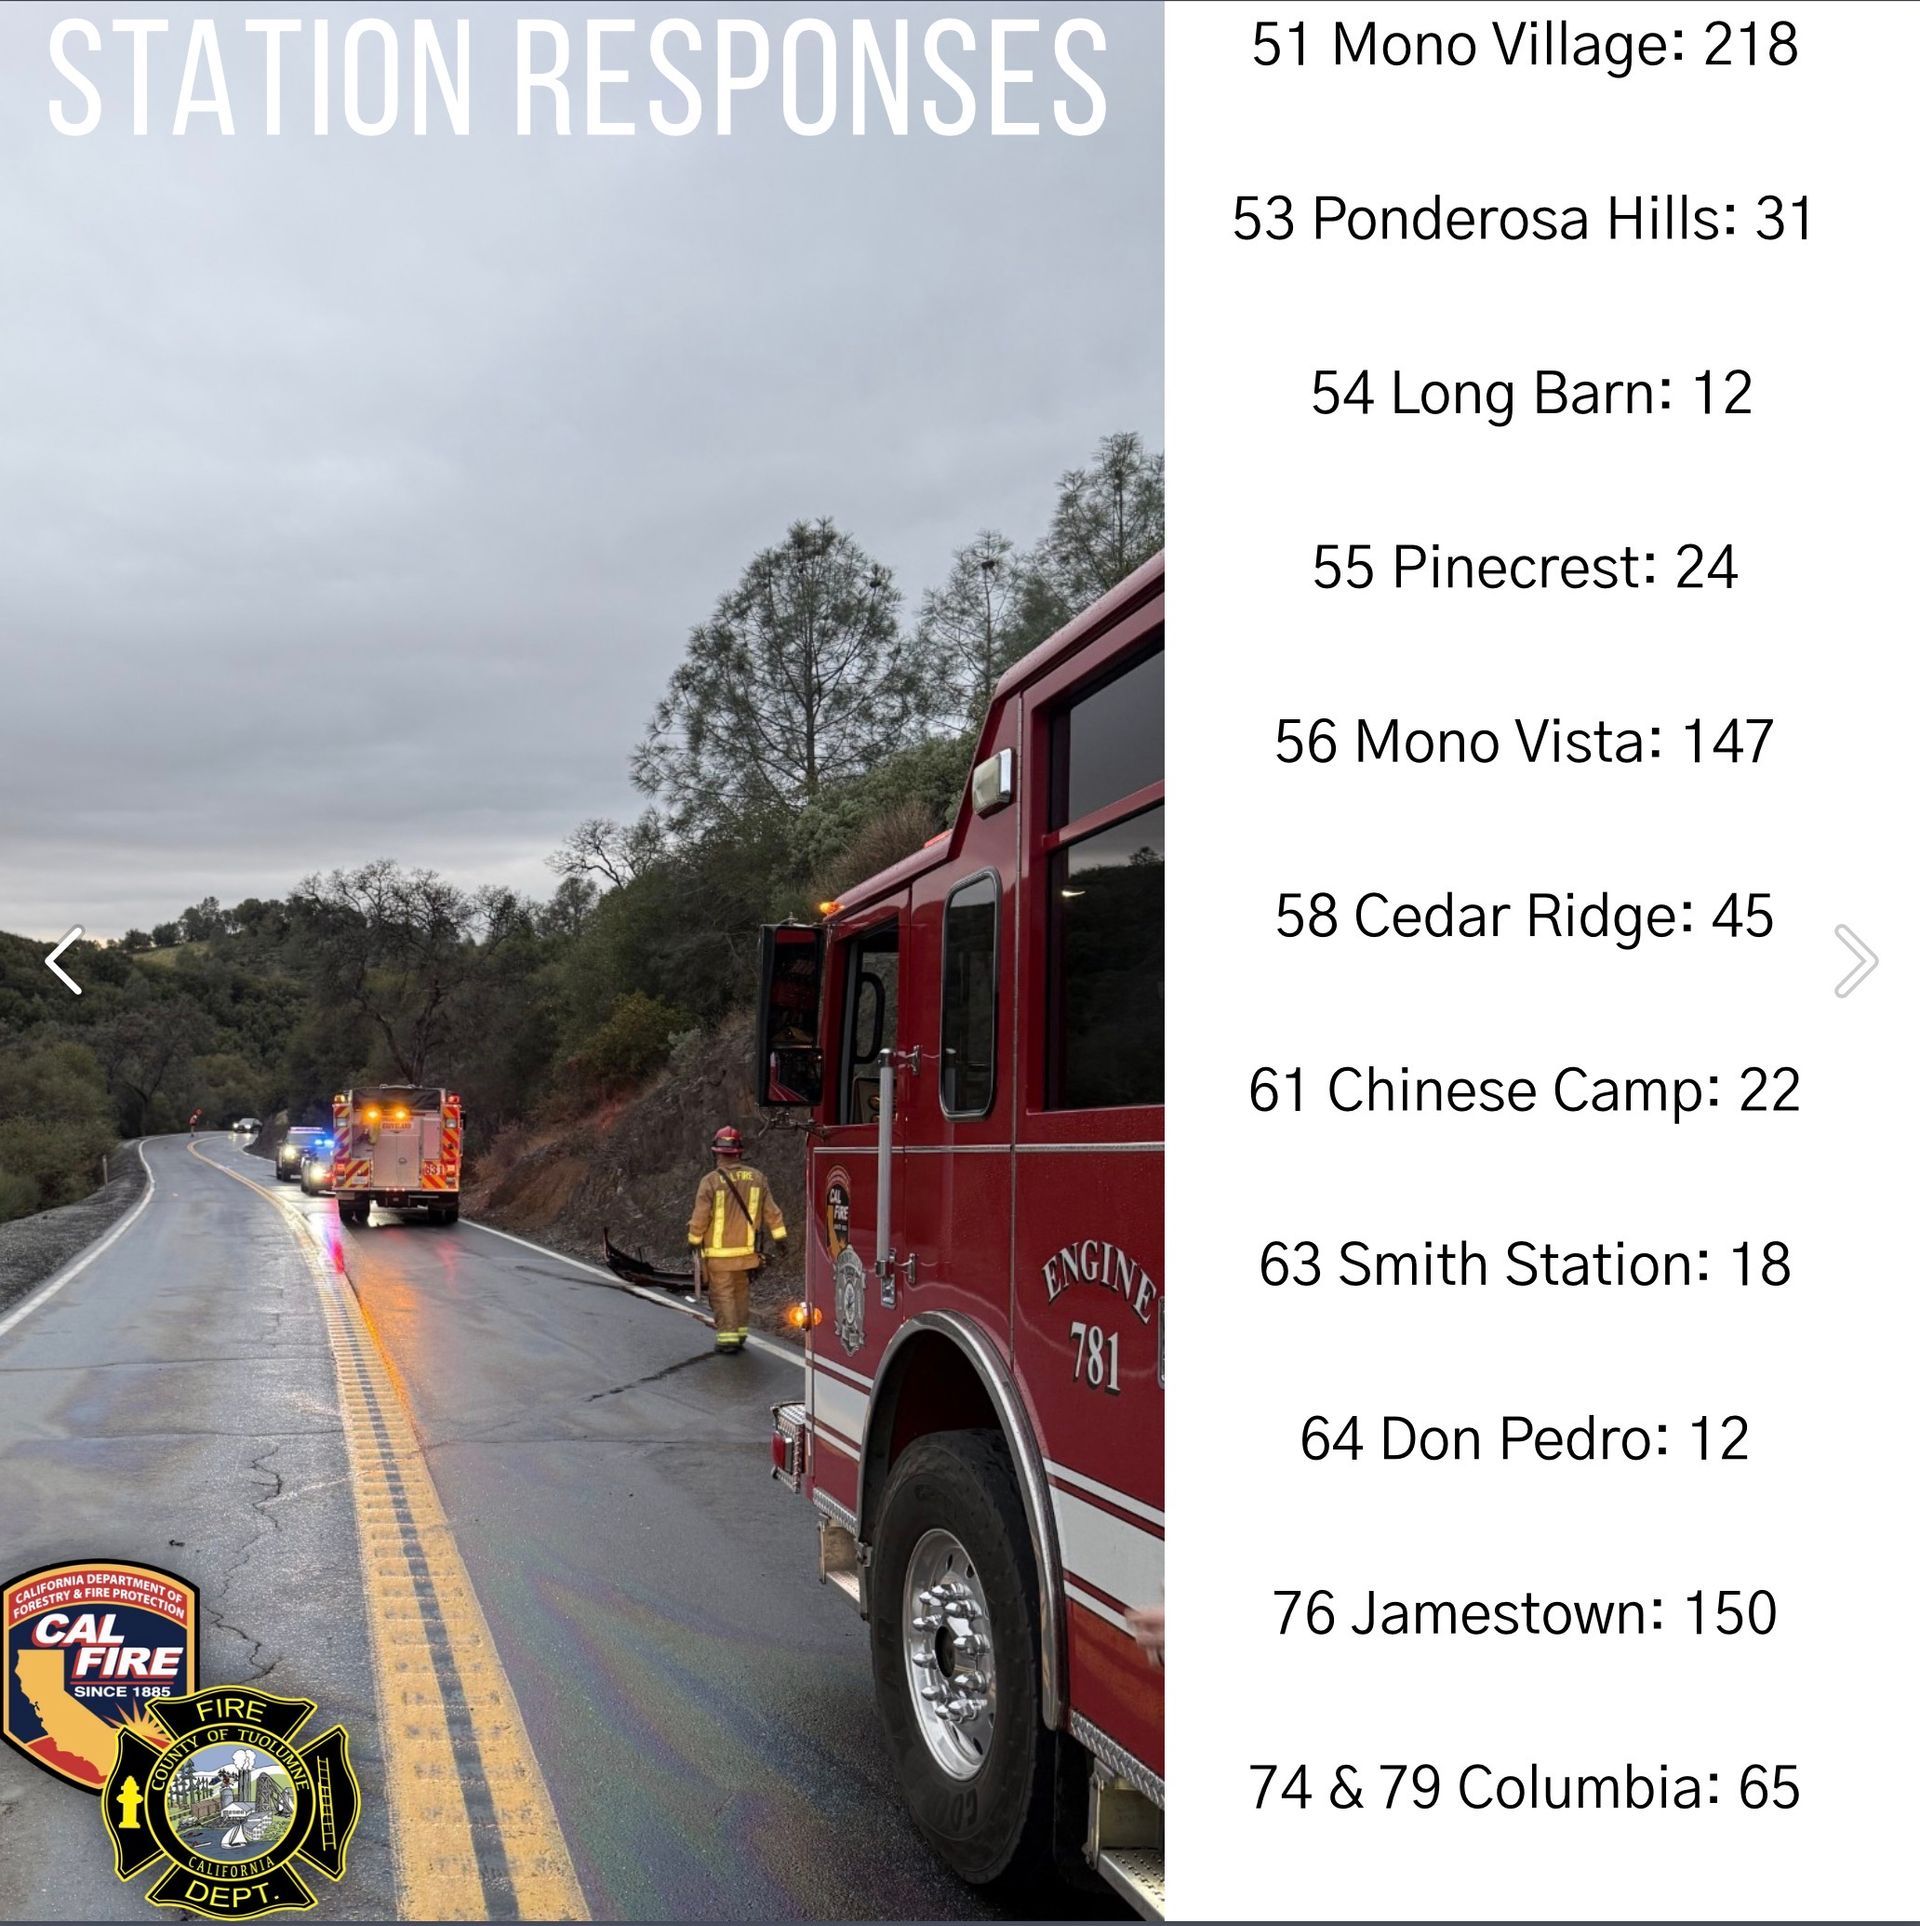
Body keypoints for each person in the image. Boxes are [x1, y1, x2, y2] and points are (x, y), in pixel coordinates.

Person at [686, 1125, 786, 1353]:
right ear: (739, 1151)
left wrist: (693, 1240)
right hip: (747, 1255)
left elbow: (700, 1216)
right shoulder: (757, 1177)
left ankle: (728, 1339)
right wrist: (780, 1239)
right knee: (741, 1294)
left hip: (719, 1256)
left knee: (723, 1296)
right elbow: (772, 1212)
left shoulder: (710, 1181)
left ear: (716, 1152)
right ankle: (740, 1333)